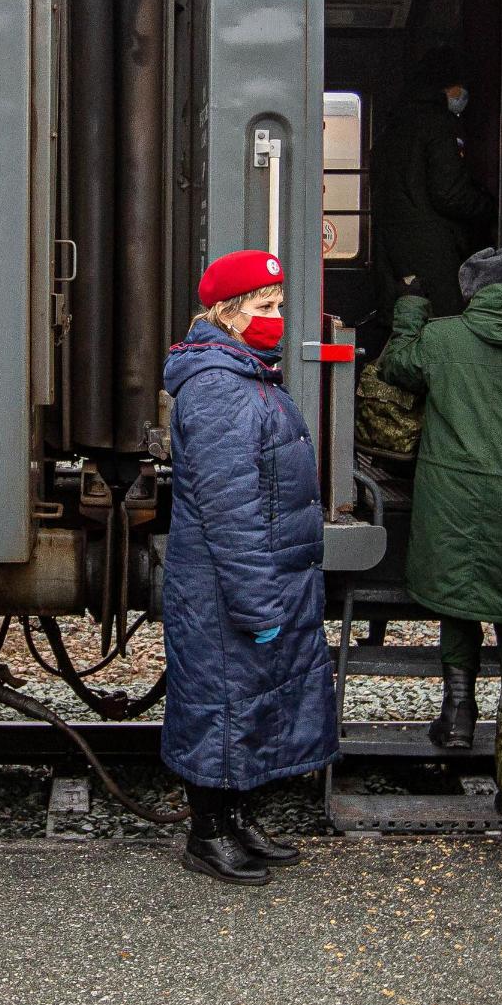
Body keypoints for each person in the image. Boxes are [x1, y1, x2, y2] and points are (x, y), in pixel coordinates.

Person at [159, 249, 341, 884]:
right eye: (265, 308)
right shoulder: (218, 388)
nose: (277, 318)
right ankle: (207, 834)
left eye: (279, 306)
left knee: (244, 701)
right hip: (226, 584)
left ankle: (235, 821)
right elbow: (230, 512)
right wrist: (256, 604)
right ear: (229, 314)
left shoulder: (242, 376)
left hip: (251, 577)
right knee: (222, 705)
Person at [372, 246, 502, 751]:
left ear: (470, 292)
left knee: (457, 605)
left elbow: (395, 366)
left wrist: (412, 305)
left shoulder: (441, 339)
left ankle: (458, 715)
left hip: (452, 503)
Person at [373, 52, 494, 320]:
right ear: (446, 87)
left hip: (393, 247)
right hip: (431, 250)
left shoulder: (394, 125)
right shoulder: (439, 125)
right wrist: (490, 207)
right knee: (441, 324)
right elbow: (449, 194)